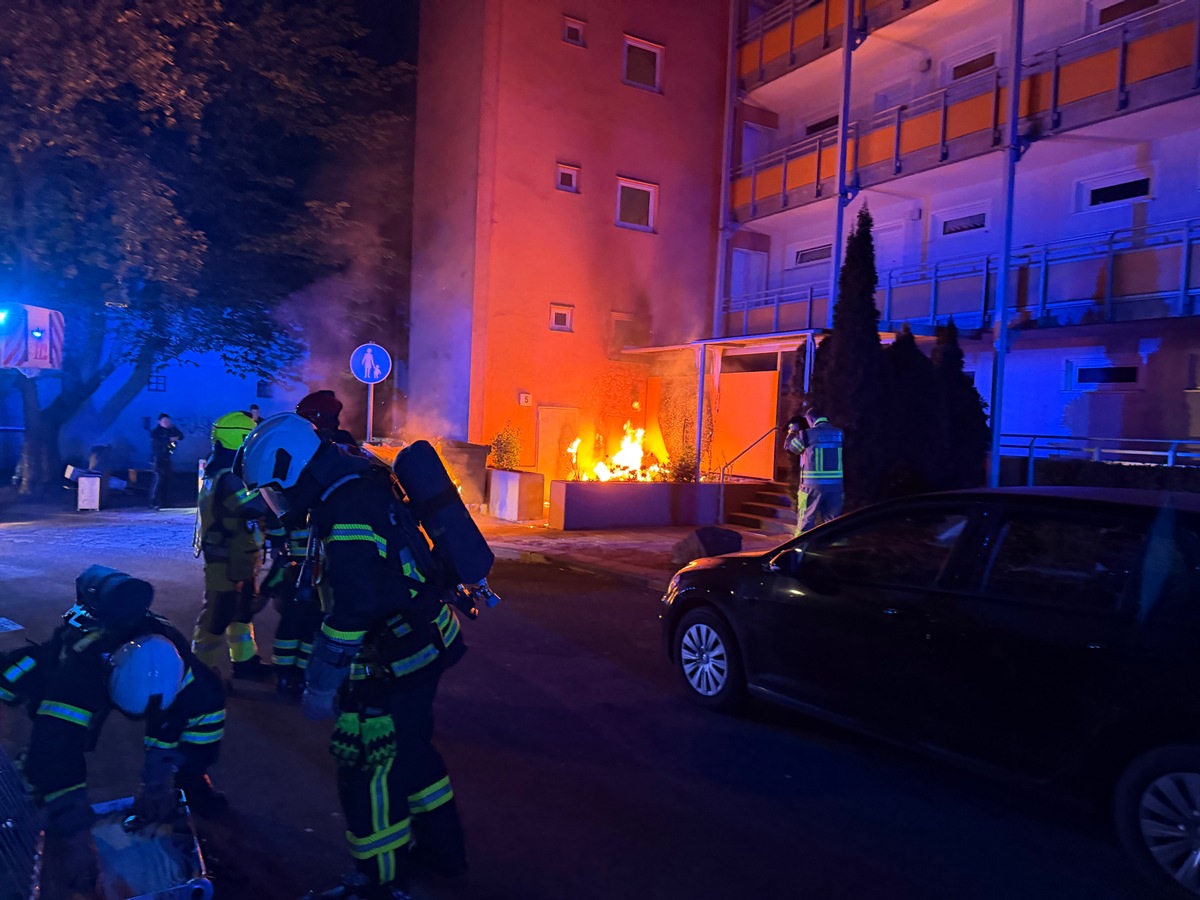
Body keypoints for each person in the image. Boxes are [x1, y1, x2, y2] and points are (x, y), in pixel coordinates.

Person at [240, 413, 467, 900]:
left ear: (291, 467)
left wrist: (323, 680)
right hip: (421, 640)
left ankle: (378, 883)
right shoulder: (351, 478)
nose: (276, 504)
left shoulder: (346, 507)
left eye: (275, 491)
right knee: (411, 749)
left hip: (396, 654)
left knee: (369, 766)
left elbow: (355, 605)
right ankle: (443, 850)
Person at [0, 566, 227, 895]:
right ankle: (23, 815)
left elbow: (183, 719)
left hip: (138, 675)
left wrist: (159, 781)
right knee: (42, 762)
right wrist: (77, 837)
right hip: (53, 672)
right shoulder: (80, 672)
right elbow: (55, 751)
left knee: (184, 724)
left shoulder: (182, 669)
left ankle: (190, 786)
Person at [193, 411, 273, 680]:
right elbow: (257, 507)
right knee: (217, 614)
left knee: (241, 612)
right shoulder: (230, 477)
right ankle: (201, 670)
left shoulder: (218, 470)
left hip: (237, 555)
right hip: (226, 558)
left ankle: (245, 661)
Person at [785, 409, 844, 535]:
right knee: (833, 524)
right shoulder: (838, 433)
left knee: (806, 522)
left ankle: (800, 546)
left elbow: (791, 449)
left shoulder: (807, 434)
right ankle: (834, 546)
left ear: (810, 419)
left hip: (811, 487)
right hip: (835, 487)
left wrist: (792, 432)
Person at [149, 412, 183, 508]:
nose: (166, 423)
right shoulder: (156, 432)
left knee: (167, 481)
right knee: (158, 481)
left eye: (168, 421)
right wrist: (170, 439)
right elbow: (159, 443)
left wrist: (173, 428)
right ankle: (154, 502)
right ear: (159, 422)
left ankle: (165, 502)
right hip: (157, 459)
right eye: (164, 421)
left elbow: (181, 436)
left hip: (166, 458)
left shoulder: (169, 430)